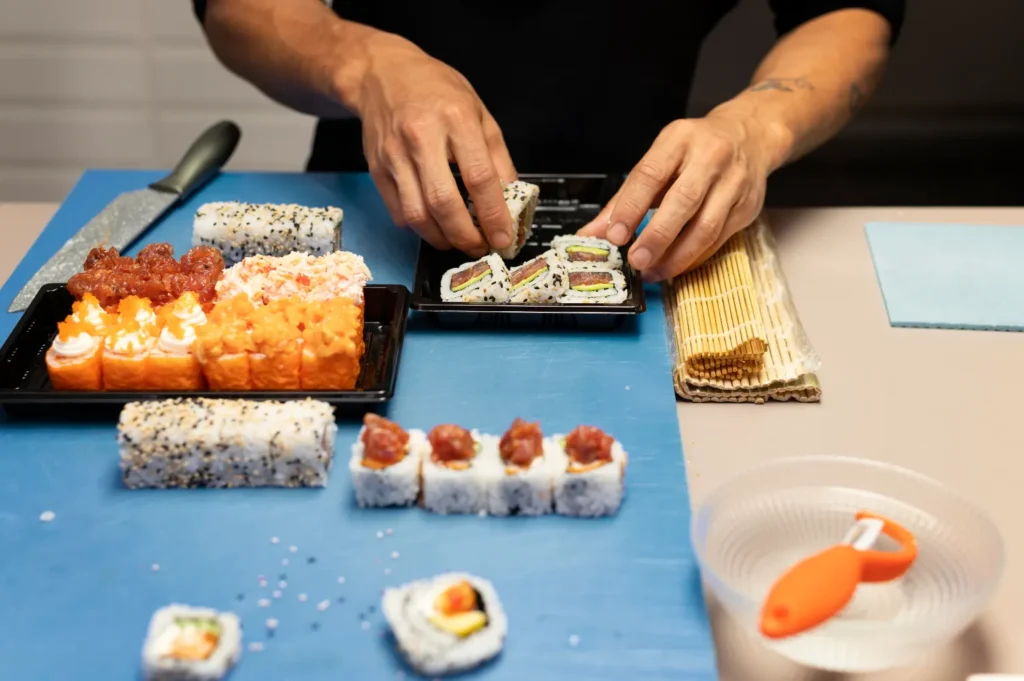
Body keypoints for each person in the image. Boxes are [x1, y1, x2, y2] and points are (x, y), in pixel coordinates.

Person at [192, 0, 903, 281]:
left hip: (657, 232)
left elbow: (847, 13)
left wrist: (757, 124)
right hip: (372, 217)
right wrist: (363, 61)